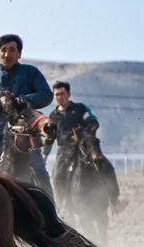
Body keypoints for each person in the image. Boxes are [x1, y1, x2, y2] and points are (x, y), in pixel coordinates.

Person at [0, 34, 54, 194]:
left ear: (19, 54)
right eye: (3, 50)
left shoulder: (31, 73)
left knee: (39, 171)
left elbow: (46, 95)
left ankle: (50, 205)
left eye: (11, 50)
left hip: (26, 135)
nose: (7, 54)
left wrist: (21, 100)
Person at [47, 81, 122, 209]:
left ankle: (115, 201)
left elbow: (93, 121)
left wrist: (82, 135)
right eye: (57, 94)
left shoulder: (81, 108)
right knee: (56, 175)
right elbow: (50, 136)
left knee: (106, 166)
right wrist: (44, 153)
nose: (59, 97)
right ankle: (62, 207)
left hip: (86, 146)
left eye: (62, 93)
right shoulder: (53, 116)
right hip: (65, 150)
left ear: (69, 94)